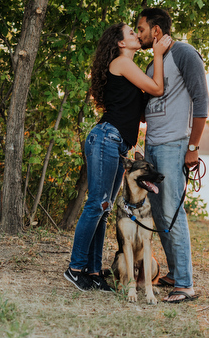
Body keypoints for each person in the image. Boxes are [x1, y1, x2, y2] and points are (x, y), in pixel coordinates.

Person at [64, 22, 171, 291]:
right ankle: (75, 268)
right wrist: (158, 54)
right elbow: (157, 88)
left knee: (105, 207)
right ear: (121, 43)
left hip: (116, 143)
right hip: (105, 138)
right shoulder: (122, 62)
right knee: (97, 204)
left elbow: (142, 108)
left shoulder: (127, 70)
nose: (137, 35)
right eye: (131, 33)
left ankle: (92, 271)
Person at [136, 8, 209, 303]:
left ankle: (185, 284)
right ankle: (175, 273)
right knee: (159, 212)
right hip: (153, 145)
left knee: (173, 212)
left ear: (155, 30)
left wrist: (193, 147)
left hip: (174, 144)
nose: (138, 33)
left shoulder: (184, 53)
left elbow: (202, 101)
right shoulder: (156, 61)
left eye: (141, 28)